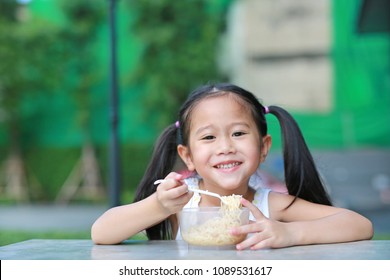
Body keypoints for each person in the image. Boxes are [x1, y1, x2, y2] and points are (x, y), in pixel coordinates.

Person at [91, 83, 373, 250]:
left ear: (263, 147)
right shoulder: (183, 202)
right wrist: (159, 206)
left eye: (238, 133)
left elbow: (359, 225)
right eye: (209, 137)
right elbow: (101, 233)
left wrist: (289, 233)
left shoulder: (269, 205)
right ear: (187, 156)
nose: (225, 146)